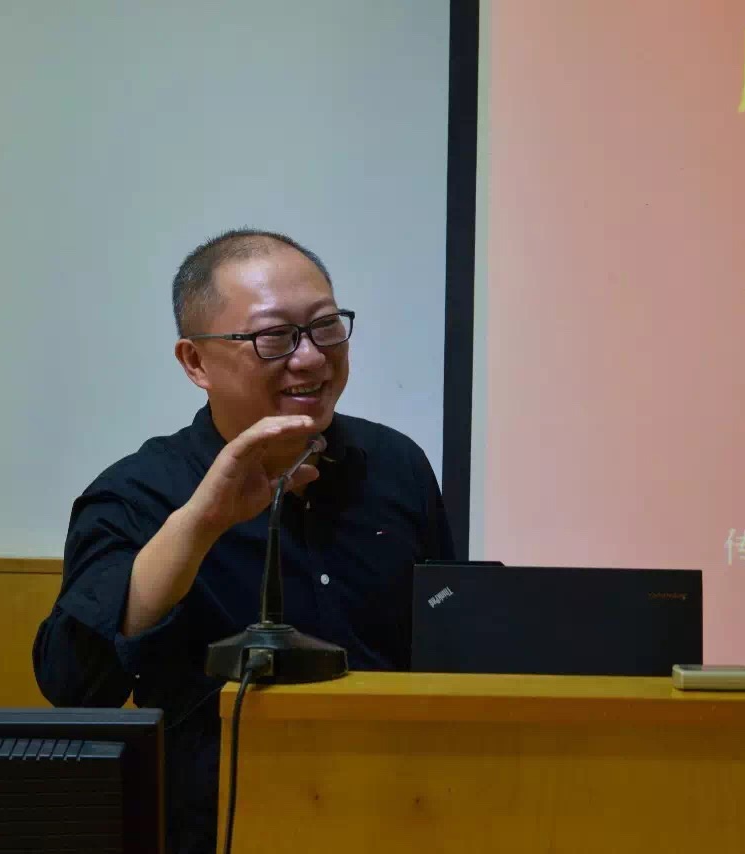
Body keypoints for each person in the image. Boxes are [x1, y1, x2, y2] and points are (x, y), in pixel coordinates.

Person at [32, 229, 455, 853]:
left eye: (326, 327)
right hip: (221, 825)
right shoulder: (137, 492)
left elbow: (448, 641)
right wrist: (200, 524)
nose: (310, 358)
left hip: (400, 812)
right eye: (274, 337)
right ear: (195, 362)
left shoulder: (395, 465)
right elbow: (72, 683)